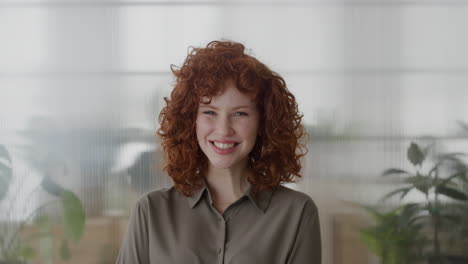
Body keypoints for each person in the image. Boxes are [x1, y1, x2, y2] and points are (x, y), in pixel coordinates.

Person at [115, 40, 321, 264]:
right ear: (190, 120)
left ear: (264, 123)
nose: (223, 130)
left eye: (240, 113)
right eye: (210, 112)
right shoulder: (151, 212)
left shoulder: (297, 213)